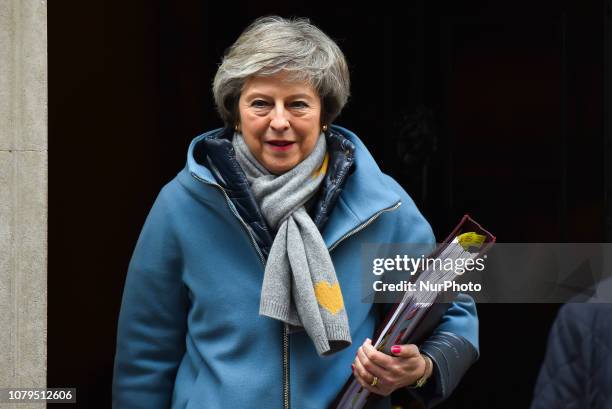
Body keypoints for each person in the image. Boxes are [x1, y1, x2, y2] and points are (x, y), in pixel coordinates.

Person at [112, 16, 479, 409]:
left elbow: (453, 311)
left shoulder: (381, 205)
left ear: (325, 114)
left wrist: (421, 367)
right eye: (261, 103)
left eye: (298, 104)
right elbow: (145, 356)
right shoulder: (182, 205)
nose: (280, 121)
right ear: (234, 111)